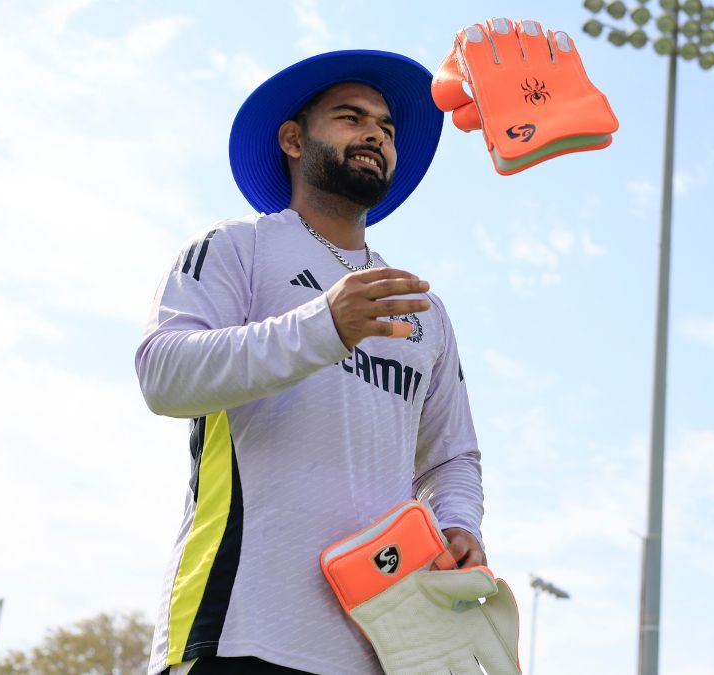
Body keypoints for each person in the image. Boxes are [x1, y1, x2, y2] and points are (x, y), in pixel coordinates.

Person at [135, 50, 487, 675]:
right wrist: (324, 326)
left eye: (386, 125)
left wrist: (458, 525)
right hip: (238, 629)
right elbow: (164, 374)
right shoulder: (236, 247)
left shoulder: (423, 307)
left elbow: (451, 455)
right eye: (350, 117)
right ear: (293, 139)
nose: (375, 132)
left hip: (383, 645)